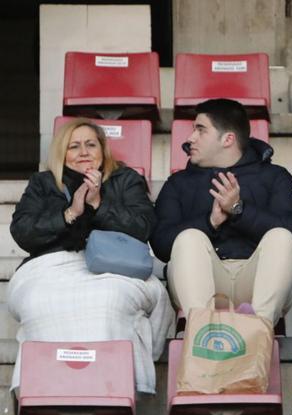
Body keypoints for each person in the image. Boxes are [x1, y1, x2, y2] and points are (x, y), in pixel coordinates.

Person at [8, 118, 174, 394]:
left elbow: (144, 227)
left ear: (103, 150)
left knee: (108, 301)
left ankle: (113, 389)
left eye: (90, 145)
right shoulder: (43, 183)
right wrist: (70, 213)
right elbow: (23, 232)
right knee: (41, 301)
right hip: (51, 265)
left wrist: (98, 203)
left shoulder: (126, 179)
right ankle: (46, 390)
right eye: (74, 146)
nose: (83, 152)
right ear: (62, 153)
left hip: (113, 266)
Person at [151, 98, 292, 325]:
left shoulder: (275, 176)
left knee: (281, 236)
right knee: (189, 237)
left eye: (200, 130)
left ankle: (258, 332)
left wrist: (238, 210)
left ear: (228, 139)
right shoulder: (178, 183)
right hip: (204, 283)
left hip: (257, 280)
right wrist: (210, 221)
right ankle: (202, 334)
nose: (190, 138)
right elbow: (161, 245)